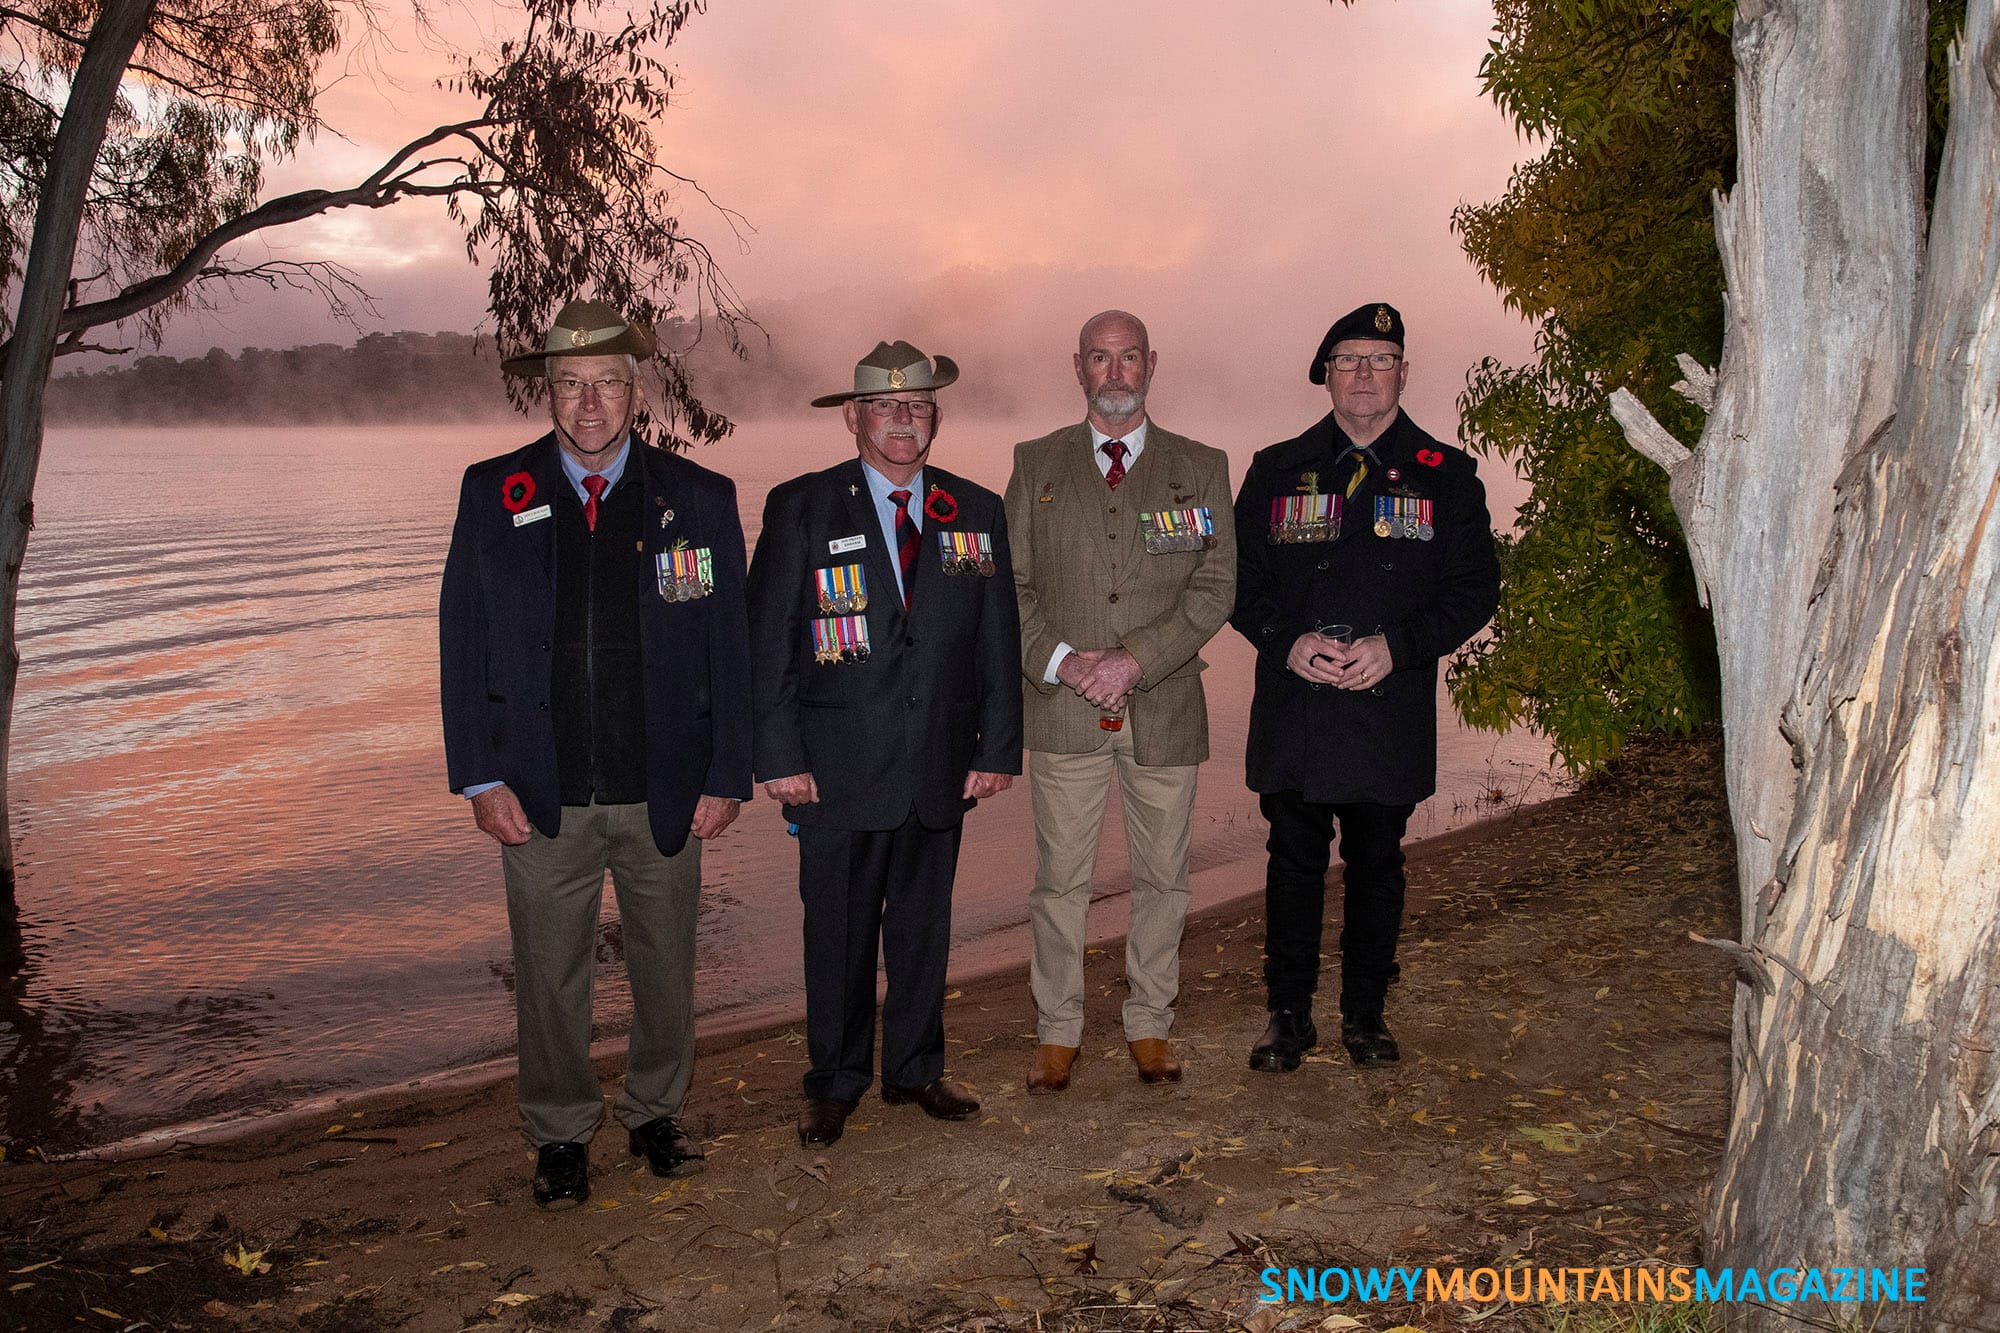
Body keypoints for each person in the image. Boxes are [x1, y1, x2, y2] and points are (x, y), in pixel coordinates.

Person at [439, 298, 752, 1208]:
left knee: (666, 965)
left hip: (667, 789)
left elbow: (729, 647)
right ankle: (561, 1132)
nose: (587, 404)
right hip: (541, 793)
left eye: (605, 385)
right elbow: (461, 642)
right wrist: (481, 773)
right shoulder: (493, 492)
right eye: (570, 384)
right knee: (547, 974)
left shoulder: (700, 498)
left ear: (634, 390)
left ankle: (656, 1111)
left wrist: (727, 771)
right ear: (549, 389)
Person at [747, 340, 1022, 1148]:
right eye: (885, 407)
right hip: (834, 769)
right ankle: (834, 1081)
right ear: (852, 417)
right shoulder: (801, 506)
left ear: (935, 417)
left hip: (938, 764)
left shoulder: (974, 510)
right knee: (835, 931)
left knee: (923, 929)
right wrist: (779, 754)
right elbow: (768, 643)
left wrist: (998, 747)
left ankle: (914, 1068)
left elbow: (996, 639)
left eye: (918, 407)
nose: (903, 421)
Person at [1230, 301, 1500, 1071]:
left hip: (1389, 707)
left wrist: (1401, 646)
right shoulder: (1276, 468)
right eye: (1348, 361)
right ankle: (1287, 1016)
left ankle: (1364, 1015)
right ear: (1326, 377)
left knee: (1379, 867)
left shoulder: (1446, 476)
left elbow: (1475, 589)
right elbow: (1238, 584)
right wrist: (1286, 643)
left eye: (1379, 361)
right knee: (1291, 867)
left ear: (1403, 374)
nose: (1363, 375)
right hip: (1299, 709)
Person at [1003, 310, 1236, 1092]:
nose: (1114, 373)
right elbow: (1012, 589)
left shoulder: (1201, 466)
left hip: (1164, 705)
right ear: (1077, 368)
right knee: (1059, 881)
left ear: (1151, 364)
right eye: (1099, 358)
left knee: (1164, 878)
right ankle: (1058, 1030)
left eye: (1127, 357)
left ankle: (1151, 1024)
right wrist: (1070, 664)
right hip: (1065, 709)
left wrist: (1135, 659)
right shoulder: (1034, 463)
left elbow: (1217, 586)